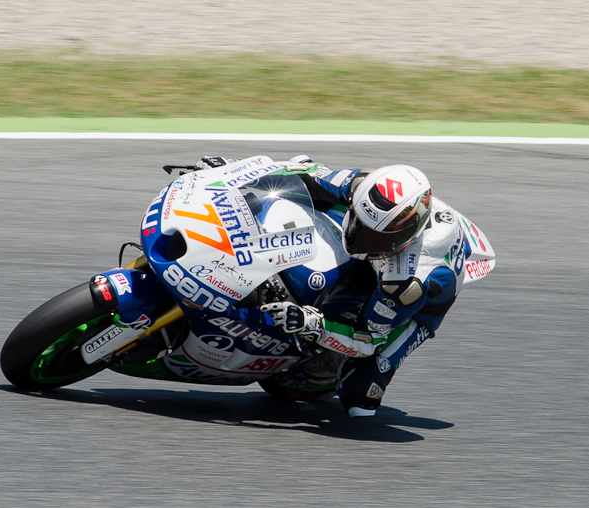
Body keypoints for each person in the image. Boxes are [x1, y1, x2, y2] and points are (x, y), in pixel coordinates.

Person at [197, 156, 471, 417]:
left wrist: (313, 325)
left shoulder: (405, 282)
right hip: (390, 246)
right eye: (360, 225)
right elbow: (305, 172)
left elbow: (369, 340)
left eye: (372, 237)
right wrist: (232, 171)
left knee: (360, 398)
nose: (359, 239)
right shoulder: (360, 185)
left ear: (402, 237)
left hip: (415, 309)